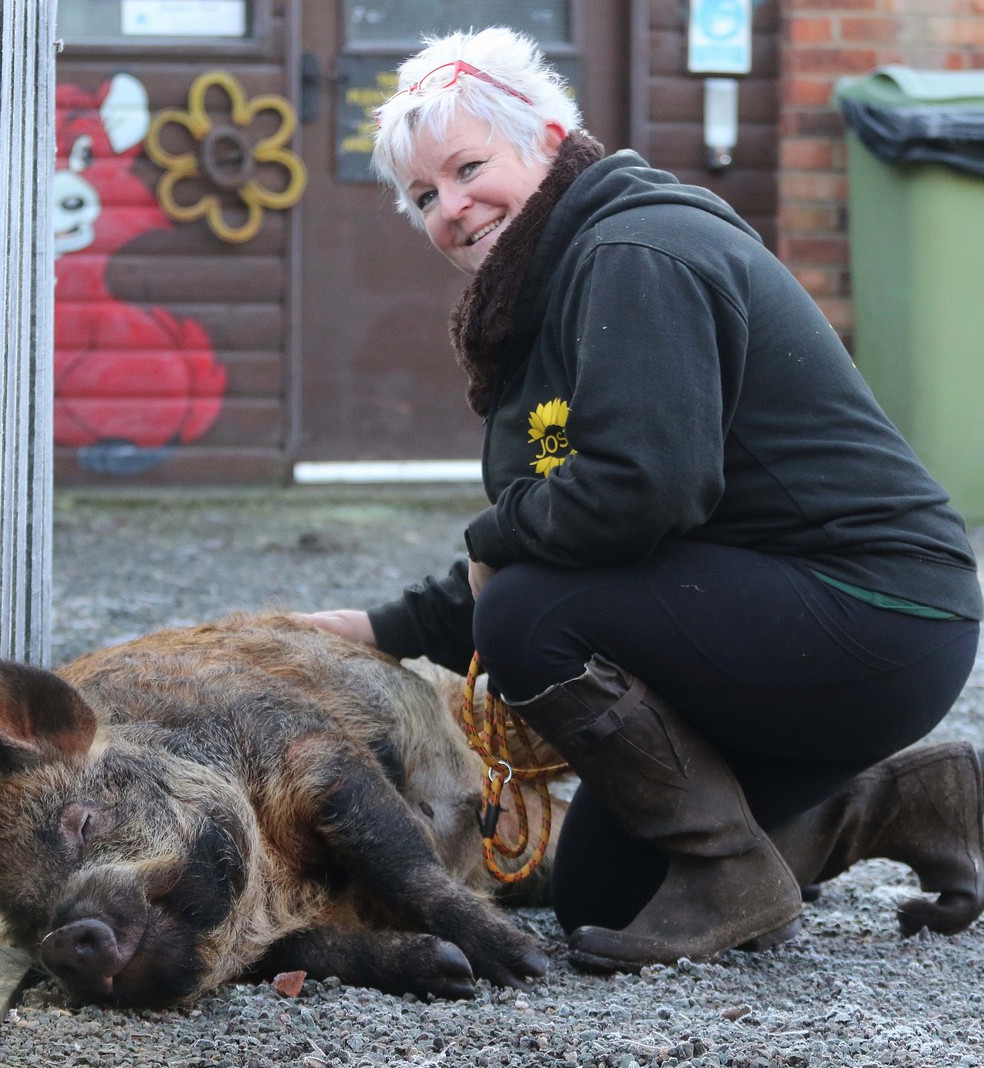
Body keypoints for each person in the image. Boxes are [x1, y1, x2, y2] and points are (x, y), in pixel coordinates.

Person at [299, 25, 983, 974]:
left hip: (874, 611)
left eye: (467, 168)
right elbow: (570, 535)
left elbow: (633, 496)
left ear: (542, 134)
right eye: (424, 196)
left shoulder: (635, 250)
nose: (451, 208)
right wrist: (383, 626)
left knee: (531, 613)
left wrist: (490, 546)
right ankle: (897, 799)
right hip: (792, 614)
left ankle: (727, 864)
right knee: (604, 896)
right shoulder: (543, 290)